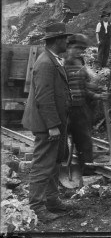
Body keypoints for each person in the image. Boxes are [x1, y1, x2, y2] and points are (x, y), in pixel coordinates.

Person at [21, 22, 73, 221]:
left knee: (55, 162)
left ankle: (52, 200)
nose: (67, 41)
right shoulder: (45, 63)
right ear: (57, 40)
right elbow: (44, 98)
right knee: (43, 165)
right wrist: (52, 126)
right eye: (65, 38)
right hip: (47, 125)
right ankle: (36, 207)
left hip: (57, 122)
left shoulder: (53, 60)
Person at [65, 34, 107, 175]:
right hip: (64, 110)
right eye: (76, 48)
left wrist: (97, 95)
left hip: (79, 110)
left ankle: (87, 171)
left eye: (81, 49)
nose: (78, 51)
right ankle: (59, 171)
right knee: (59, 145)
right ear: (69, 46)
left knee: (85, 142)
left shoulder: (80, 63)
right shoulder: (60, 63)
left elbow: (83, 89)